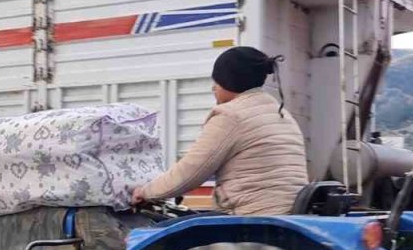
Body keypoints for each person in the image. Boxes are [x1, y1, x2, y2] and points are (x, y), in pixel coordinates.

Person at [132, 46, 308, 216]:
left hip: (252, 218)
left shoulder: (231, 115)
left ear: (228, 81)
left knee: (157, 232)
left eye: (216, 81)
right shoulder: (281, 113)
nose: (213, 88)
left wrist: (146, 192)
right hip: (288, 216)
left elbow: (191, 172)